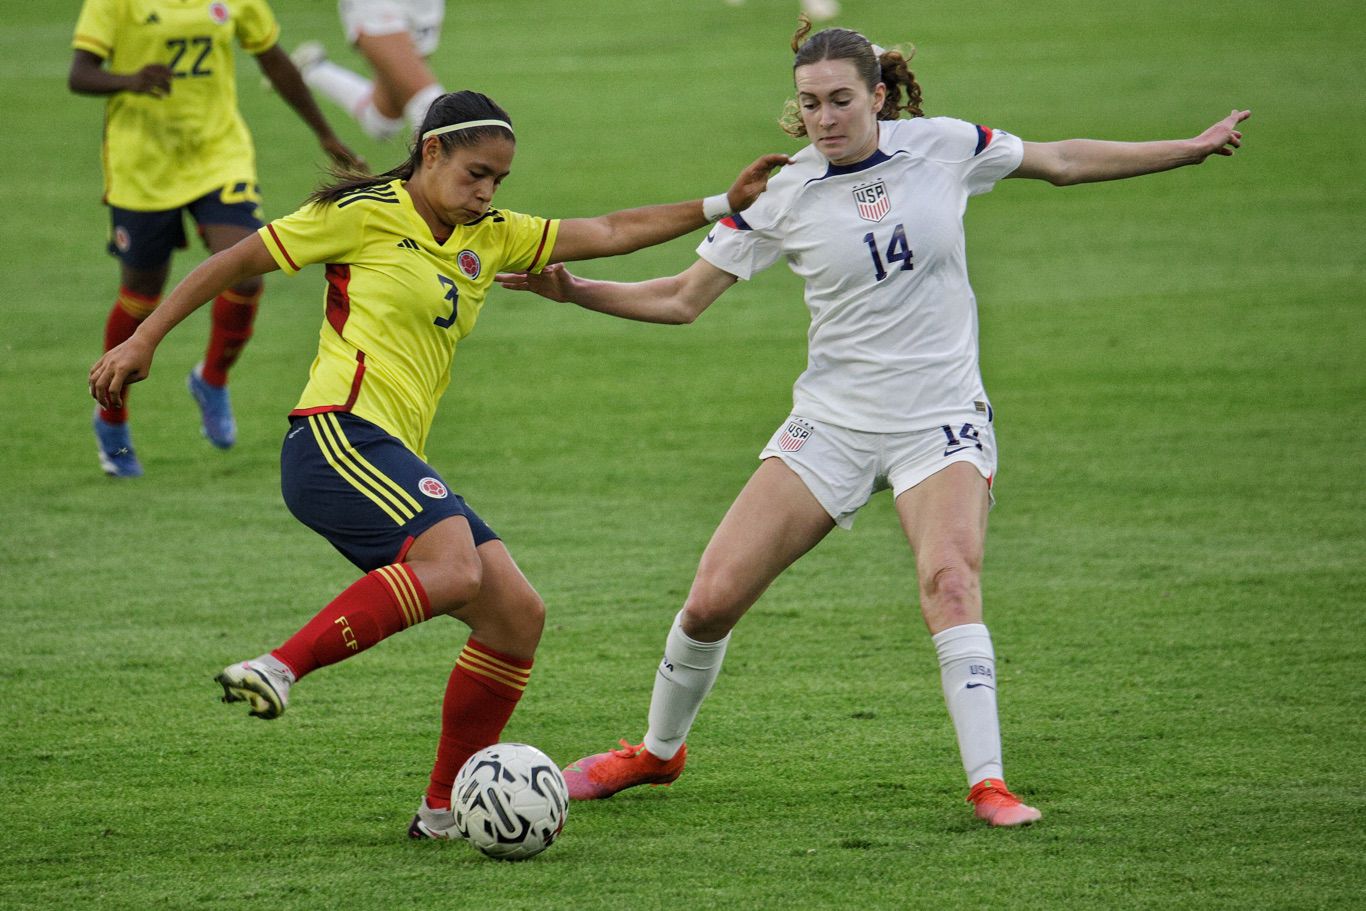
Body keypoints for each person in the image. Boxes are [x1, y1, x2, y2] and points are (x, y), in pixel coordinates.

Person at [496, 20, 1250, 827]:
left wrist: (1189, 146)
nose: (825, 117)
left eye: (842, 100)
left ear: (878, 96)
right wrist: (576, 292)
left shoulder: (945, 146)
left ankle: (988, 783)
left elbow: (1062, 161)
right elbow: (683, 299)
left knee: (950, 581)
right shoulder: (782, 190)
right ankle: (656, 751)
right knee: (711, 601)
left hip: (940, 417)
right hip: (834, 422)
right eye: (811, 103)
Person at [89, 89, 787, 838]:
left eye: (498, 181)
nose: (486, 193)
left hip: (389, 452)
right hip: (334, 436)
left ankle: (442, 809)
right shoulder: (363, 212)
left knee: (517, 616)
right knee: (455, 567)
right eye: (475, 173)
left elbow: (611, 230)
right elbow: (233, 260)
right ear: (431, 152)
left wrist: (724, 200)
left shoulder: (489, 234)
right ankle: (278, 667)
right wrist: (143, 340)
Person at [71, 0, 362, 477]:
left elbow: (273, 58)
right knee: (141, 296)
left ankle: (212, 379)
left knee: (246, 273)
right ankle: (112, 418)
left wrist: (324, 134)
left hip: (218, 156)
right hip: (142, 165)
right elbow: (79, 74)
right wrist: (130, 80)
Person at [291, 0, 447, 142]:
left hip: (424, 5)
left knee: (382, 121)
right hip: (376, 5)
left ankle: (312, 68)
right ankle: (427, 171)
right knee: (429, 106)